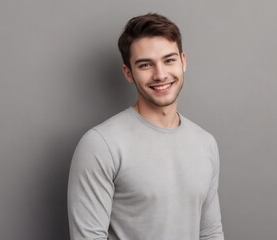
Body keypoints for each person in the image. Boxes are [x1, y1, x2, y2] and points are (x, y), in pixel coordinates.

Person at [67, 13, 224, 240]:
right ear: (128, 73)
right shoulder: (101, 144)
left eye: (169, 60)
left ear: (183, 61)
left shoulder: (205, 143)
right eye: (145, 65)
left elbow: (210, 233)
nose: (160, 75)